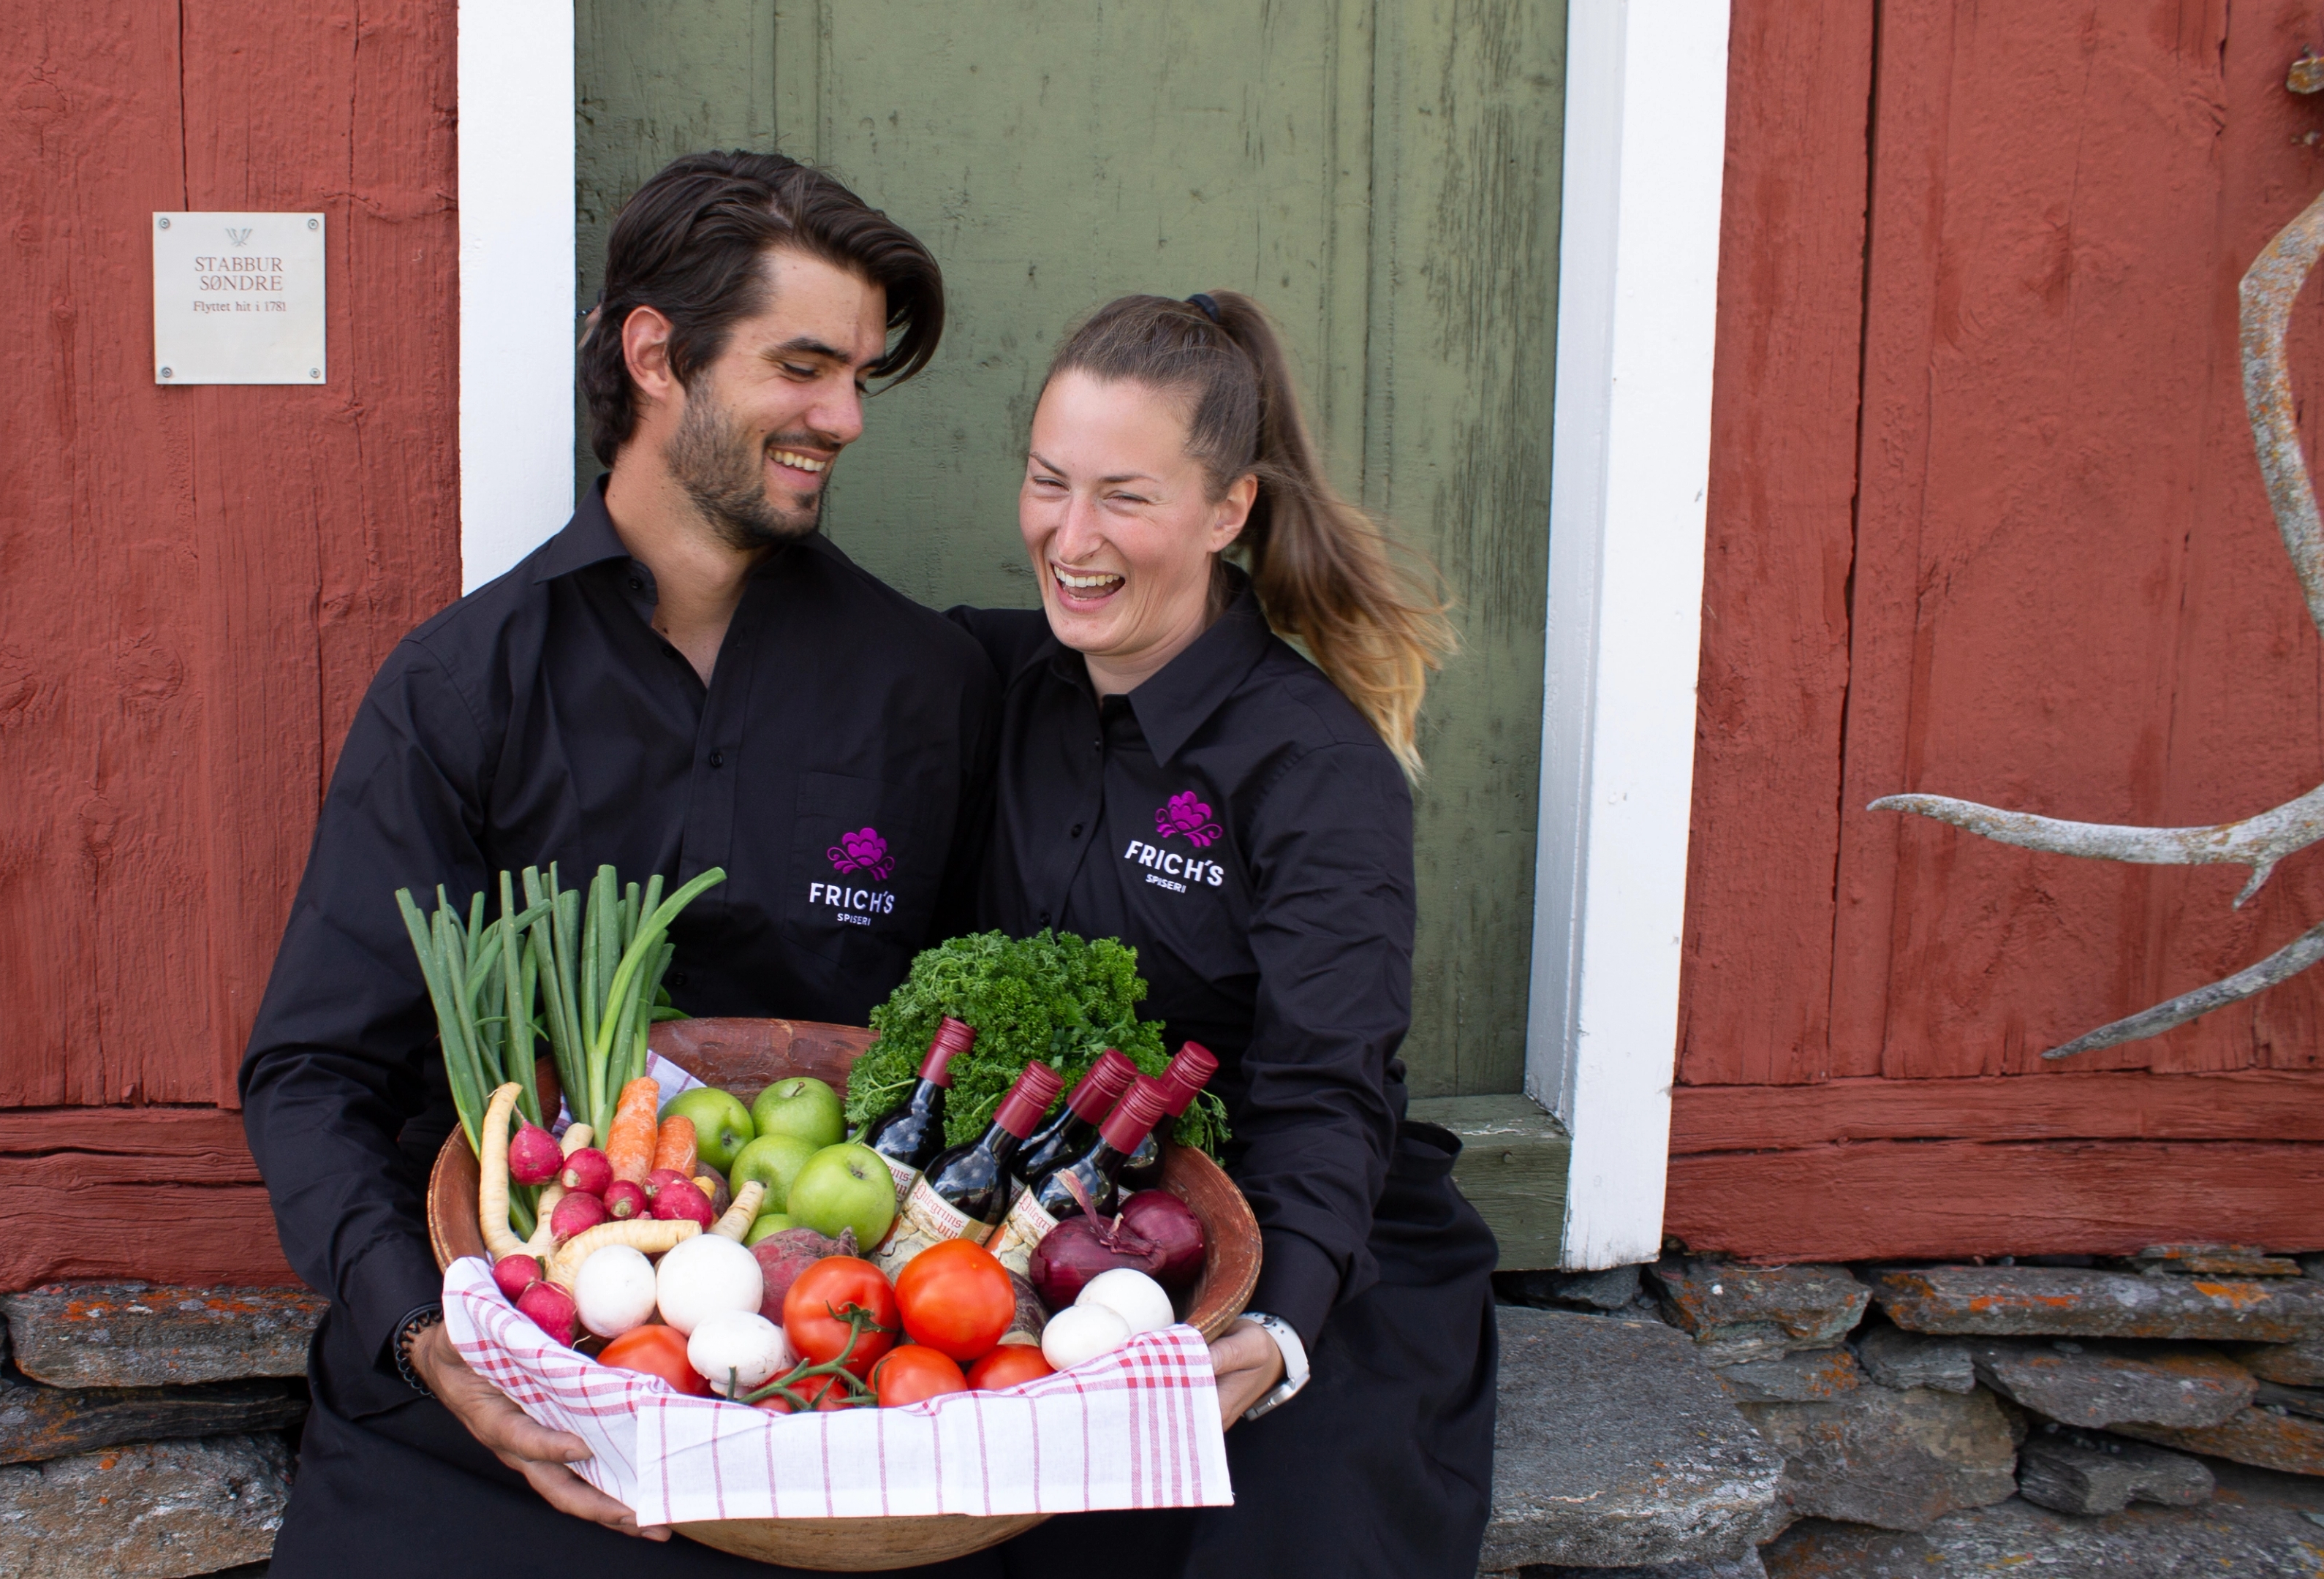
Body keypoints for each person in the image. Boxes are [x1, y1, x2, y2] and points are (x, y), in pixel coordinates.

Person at [241, 151, 1004, 1575]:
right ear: (658, 354)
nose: (842, 417)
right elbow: (314, 1073)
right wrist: (433, 1338)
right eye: (802, 367)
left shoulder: (926, 684)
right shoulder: (465, 688)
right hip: (512, 1341)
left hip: (828, 1372)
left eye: (858, 378)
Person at [961, 292, 1497, 1576]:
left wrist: (1290, 1313)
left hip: (1293, 1205)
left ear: (1229, 511)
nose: (1071, 538)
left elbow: (1330, 1077)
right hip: (1057, 1206)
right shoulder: (996, 682)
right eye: (1049, 483)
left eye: (1125, 498)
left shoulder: (1313, 768)